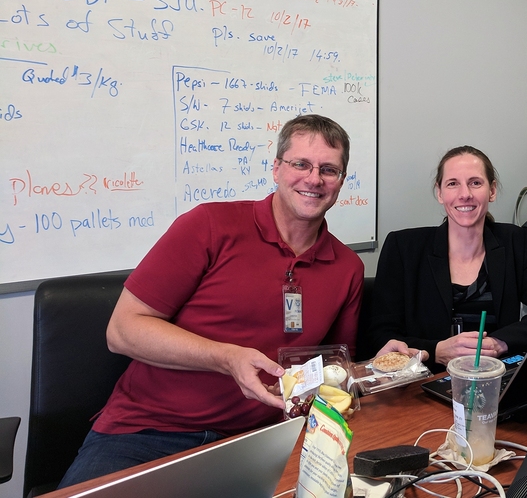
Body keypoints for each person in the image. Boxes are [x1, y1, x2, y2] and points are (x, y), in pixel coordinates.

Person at [60, 114, 364, 487]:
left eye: (328, 169)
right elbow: (122, 331)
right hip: (149, 433)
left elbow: (335, 364)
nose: (314, 179)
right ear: (276, 168)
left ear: (341, 181)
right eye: (300, 163)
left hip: (265, 439)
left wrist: (381, 366)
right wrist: (227, 358)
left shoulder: (347, 266)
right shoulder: (209, 226)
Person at [365, 146, 527, 370]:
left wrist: (499, 343)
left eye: (475, 183)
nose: (465, 194)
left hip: (493, 379)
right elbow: (380, 336)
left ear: (491, 191)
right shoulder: (403, 247)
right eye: (453, 183)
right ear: (440, 193)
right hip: (424, 385)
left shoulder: (513, 241)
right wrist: (435, 351)